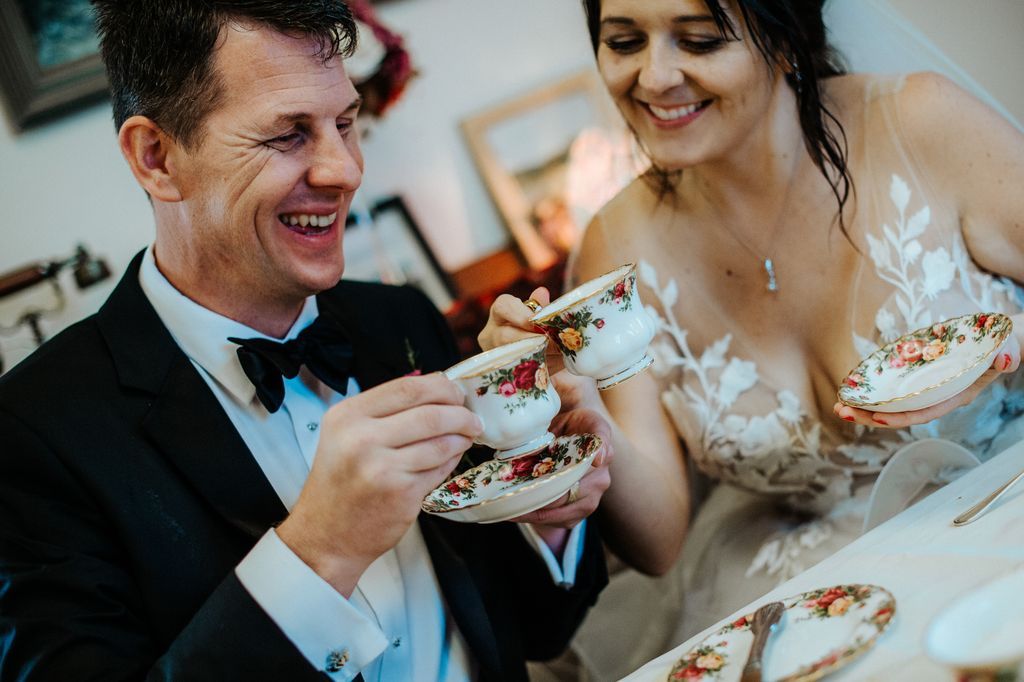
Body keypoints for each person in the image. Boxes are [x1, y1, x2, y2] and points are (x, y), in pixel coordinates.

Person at [0, 1, 614, 680]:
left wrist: (547, 515)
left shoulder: (401, 321)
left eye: (345, 124)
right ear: (157, 158)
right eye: (288, 134)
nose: (345, 170)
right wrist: (320, 551)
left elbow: (535, 628)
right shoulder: (32, 437)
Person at [479, 0, 1024, 676]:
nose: (653, 78)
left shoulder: (920, 122)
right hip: (821, 590)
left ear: (787, 37)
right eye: (623, 42)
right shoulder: (617, 245)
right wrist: (573, 409)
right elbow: (657, 543)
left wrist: (1012, 342)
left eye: (699, 40)